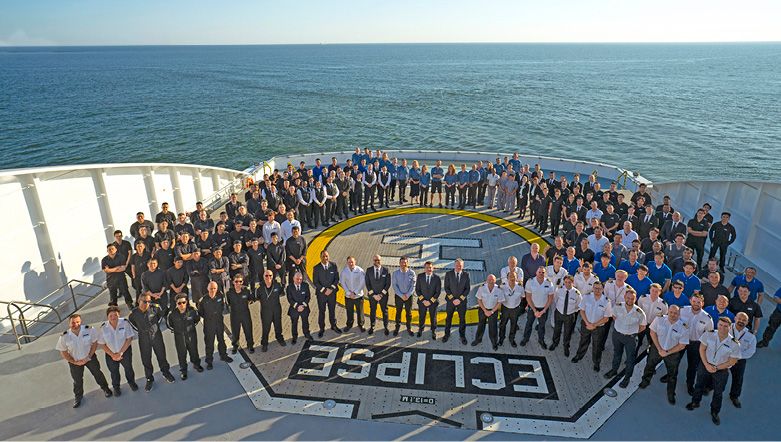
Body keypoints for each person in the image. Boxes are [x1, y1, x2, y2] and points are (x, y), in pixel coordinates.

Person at [686, 317, 742, 425]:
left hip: (721, 370)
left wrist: (716, 368)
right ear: (717, 324)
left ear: (730, 328)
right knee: (699, 385)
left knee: (718, 393)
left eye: (725, 326)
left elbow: (732, 362)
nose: (722, 328)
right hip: (705, 365)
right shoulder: (709, 334)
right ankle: (695, 402)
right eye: (720, 325)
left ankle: (715, 412)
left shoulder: (734, 344)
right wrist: (706, 364)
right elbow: (702, 349)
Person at [56, 313, 112, 408]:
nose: (75, 324)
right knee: (77, 380)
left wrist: (89, 356)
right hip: (75, 362)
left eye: (77, 322)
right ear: (69, 324)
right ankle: (78, 397)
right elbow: (63, 351)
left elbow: (95, 343)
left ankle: (106, 389)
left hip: (90, 358)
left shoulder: (89, 330)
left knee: (97, 373)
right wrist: (73, 361)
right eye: (73, 323)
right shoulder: (64, 337)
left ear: (80, 321)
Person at [638, 305, 689, 404]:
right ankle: (645, 381)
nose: (673, 315)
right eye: (671, 312)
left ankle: (671, 393)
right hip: (657, 348)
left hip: (672, 354)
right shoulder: (659, 319)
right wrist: (659, 349)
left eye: (675, 313)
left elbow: (682, 346)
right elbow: (652, 332)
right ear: (668, 312)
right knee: (649, 366)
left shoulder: (683, 328)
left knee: (672, 375)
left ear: (679, 314)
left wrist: (667, 352)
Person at [128, 293, 175, 392]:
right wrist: (144, 331)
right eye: (145, 301)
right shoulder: (134, 313)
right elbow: (134, 325)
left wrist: (153, 329)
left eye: (149, 301)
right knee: (146, 359)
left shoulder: (156, 308)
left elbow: (159, 318)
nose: (147, 303)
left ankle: (165, 372)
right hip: (144, 339)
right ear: (139, 301)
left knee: (161, 355)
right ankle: (149, 378)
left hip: (156, 336)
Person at [604, 289, 647, 388]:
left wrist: (631, 332)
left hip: (630, 338)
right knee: (617, 354)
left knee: (630, 359)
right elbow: (614, 317)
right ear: (624, 297)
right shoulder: (618, 307)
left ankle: (627, 378)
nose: (630, 300)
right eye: (628, 298)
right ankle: (614, 370)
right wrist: (621, 329)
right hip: (617, 335)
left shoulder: (639, 313)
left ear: (635, 299)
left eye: (632, 298)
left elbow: (642, 327)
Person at [571, 281, 612, 371]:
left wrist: (593, 325)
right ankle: (579, 356)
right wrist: (587, 324)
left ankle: (596, 363)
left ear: (603, 290)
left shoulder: (606, 302)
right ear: (593, 289)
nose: (597, 290)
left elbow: (606, 319)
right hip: (586, 324)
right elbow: (582, 311)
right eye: (595, 288)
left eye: (599, 289)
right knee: (583, 341)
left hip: (598, 328)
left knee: (597, 346)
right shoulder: (586, 297)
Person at [97, 306, 137, 396]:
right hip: (111, 354)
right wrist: (112, 354)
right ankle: (116, 387)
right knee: (114, 372)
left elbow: (129, 339)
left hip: (124, 351)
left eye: (115, 315)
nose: (113, 317)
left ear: (119, 315)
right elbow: (102, 344)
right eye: (111, 316)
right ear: (108, 317)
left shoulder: (125, 323)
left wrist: (120, 353)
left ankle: (131, 382)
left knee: (128, 368)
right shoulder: (104, 328)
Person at [197, 282, 233, 370]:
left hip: (219, 322)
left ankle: (223, 355)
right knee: (209, 342)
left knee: (221, 339)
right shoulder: (203, 300)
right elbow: (200, 312)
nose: (213, 290)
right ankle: (209, 361)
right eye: (211, 288)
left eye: (214, 288)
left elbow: (221, 307)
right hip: (209, 324)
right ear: (207, 288)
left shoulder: (220, 296)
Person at [166, 294, 203, 380]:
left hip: (191, 334)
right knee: (181, 354)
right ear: (176, 303)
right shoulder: (172, 314)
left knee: (194, 350)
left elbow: (196, 320)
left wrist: (190, 328)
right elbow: (170, 325)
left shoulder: (192, 311)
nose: (182, 304)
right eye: (179, 303)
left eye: (183, 302)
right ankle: (184, 370)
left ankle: (196, 365)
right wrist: (179, 331)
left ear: (186, 302)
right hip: (179, 337)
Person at [522, 267, 554, 348]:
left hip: (543, 309)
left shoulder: (549, 283)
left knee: (542, 326)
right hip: (532, 308)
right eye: (539, 272)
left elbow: (550, 299)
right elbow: (528, 297)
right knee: (529, 323)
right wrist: (534, 310)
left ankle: (541, 340)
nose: (541, 274)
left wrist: (543, 311)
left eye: (543, 272)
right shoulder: (530, 282)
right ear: (536, 272)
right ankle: (526, 338)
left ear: (545, 273)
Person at [550, 275, 581, 356]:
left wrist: (572, 311)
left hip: (569, 315)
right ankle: (555, 343)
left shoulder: (576, 293)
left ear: (573, 283)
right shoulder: (559, 290)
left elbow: (578, 305)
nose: (567, 284)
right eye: (566, 282)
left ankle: (566, 346)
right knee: (557, 329)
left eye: (569, 282)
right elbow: (556, 299)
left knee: (567, 332)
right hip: (559, 313)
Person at [313, 250, 342, 337]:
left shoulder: (333, 265)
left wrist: (331, 289)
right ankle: (322, 328)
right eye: (323, 256)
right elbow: (315, 282)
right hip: (321, 294)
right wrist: (324, 290)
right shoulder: (316, 268)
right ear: (320, 257)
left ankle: (333, 325)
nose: (325, 258)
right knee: (322, 311)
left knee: (332, 310)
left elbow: (336, 279)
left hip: (332, 294)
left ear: (328, 256)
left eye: (326, 256)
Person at [472, 274, 504, 350]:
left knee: (493, 328)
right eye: (489, 279)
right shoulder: (482, 288)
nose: (490, 281)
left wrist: (492, 312)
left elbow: (499, 302)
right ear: (487, 280)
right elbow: (479, 300)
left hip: (493, 311)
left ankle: (494, 343)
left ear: (495, 281)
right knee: (480, 326)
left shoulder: (499, 290)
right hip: (483, 310)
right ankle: (478, 339)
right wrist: (485, 310)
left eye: (492, 279)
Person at [257, 270, 286, 352]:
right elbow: (257, 297)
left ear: (272, 276)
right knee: (266, 327)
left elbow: (281, 292)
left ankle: (279, 338)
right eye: (266, 275)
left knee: (278, 324)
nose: (268, 277)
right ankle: (265, 343)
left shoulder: (277, 284)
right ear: (263, 276)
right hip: (265, 310)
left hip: (276, 308)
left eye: (270, 275)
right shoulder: (260, 287)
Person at [443, 259, 470, 344]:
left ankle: (462, 335)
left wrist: (460, 299)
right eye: (457, 265)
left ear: (463, 266)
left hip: (461, 303)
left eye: (460, 266)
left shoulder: (466, 275)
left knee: (462, 319)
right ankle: (446, 334)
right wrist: (453, 299)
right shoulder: (448, 274)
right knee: (448, 318)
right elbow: (446, 288)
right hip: (451, 302)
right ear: (454, 265)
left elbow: (467, 289)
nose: (459, 267)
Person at [226, 274, 255, 354]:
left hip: (245, 313)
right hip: (234, 314)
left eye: (240, 281)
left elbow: (249, 300)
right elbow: (229, 302)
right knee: (235, 331)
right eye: (236, 281)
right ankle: (235, 346)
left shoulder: (246, 290)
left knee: (248, 330)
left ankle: (250, 345)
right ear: (233, 282)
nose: (238, 283)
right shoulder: (229, 292)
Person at [364, 254, 391, 335]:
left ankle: (386, 326)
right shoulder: (369, 270)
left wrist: (381, 295)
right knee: (372, 311)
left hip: (383, 296)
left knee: (384, 311)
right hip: (373, 296)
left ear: (381, 260)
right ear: (373, 261)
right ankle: (372, 325)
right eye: (375, 260)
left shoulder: (386, 270)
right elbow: (367, 284)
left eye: (378, 260)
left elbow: (388, 284)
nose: (377, 261)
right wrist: (374, 295)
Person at [102, 243, 133, 311]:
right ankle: (114, 307)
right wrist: (117, 268)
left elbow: (123, 268)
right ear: (107, 251)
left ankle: (129, 304)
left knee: (125, 291)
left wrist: (110, 269)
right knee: (113, 294)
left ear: (116, 250)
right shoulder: (104, 260)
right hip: (111, 280)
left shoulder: (121, 257)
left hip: (121, 278)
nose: (111, 250)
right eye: (109, 249)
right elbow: (105, 270)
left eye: (112, 249)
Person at [636, 283, 669, 348]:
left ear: (659, 292)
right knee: (637, 342)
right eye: (653, 290)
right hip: (642, 324)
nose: (654, 293)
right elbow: (638, 311)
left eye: (656, 291)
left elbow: (662, 318)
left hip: (653, 327)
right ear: (650, 290)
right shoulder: (643, 298)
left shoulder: (663, 305)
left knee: (651, 344)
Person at [341, 255, 367, 332]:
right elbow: (342, 282)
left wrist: (355, 292)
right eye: (349, 262)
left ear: (355, 262)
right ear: (347, 263)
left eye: (352, 262)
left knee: (360, 311)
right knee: (349, 311)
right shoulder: (344, 271)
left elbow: (362, 282)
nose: (351, 264)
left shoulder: (360, 271)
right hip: (348, 296)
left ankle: (361, 325)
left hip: (358, 296)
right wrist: (348, 293)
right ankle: (349, 324)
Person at [286, 271, 314, 344]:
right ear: (293, 278)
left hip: (304, 308)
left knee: (305, 322)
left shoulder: (305, 285)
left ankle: (307, 334)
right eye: (297, 279)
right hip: (294, 309)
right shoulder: (289, 287)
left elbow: (308, 297)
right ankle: (294, 337)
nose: (299, 281)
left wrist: (303, 306)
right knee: (294, 323)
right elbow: (289, 299)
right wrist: (297, 307)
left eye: (300, 279)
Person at [415, 261, 441, 339]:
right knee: (421, 316)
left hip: (433, 303)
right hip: (422, 302)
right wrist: (423, 301)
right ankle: (421, 328)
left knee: (433, 317)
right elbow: (417, 290)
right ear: (424, 268)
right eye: (427, 267)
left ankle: (433, 331)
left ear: (433, 268)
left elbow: (438, 292)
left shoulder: (437, 278)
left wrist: (430, 301)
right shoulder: (420, 276)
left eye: (430, 267)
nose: (428, 269)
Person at [392, 256, 416, 336]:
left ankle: (409, 328)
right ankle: (397, 327)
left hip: (409, 297)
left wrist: (408, 295)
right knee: (398, 312)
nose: (403, 264)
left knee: (408, 313)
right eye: (402, 263)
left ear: (407, 263)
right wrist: (401, 295)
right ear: (399, 263)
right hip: (399, 296)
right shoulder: (395, 273)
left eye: (405, 263)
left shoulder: (412, 273)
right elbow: (394, 286)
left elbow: (413, 286)